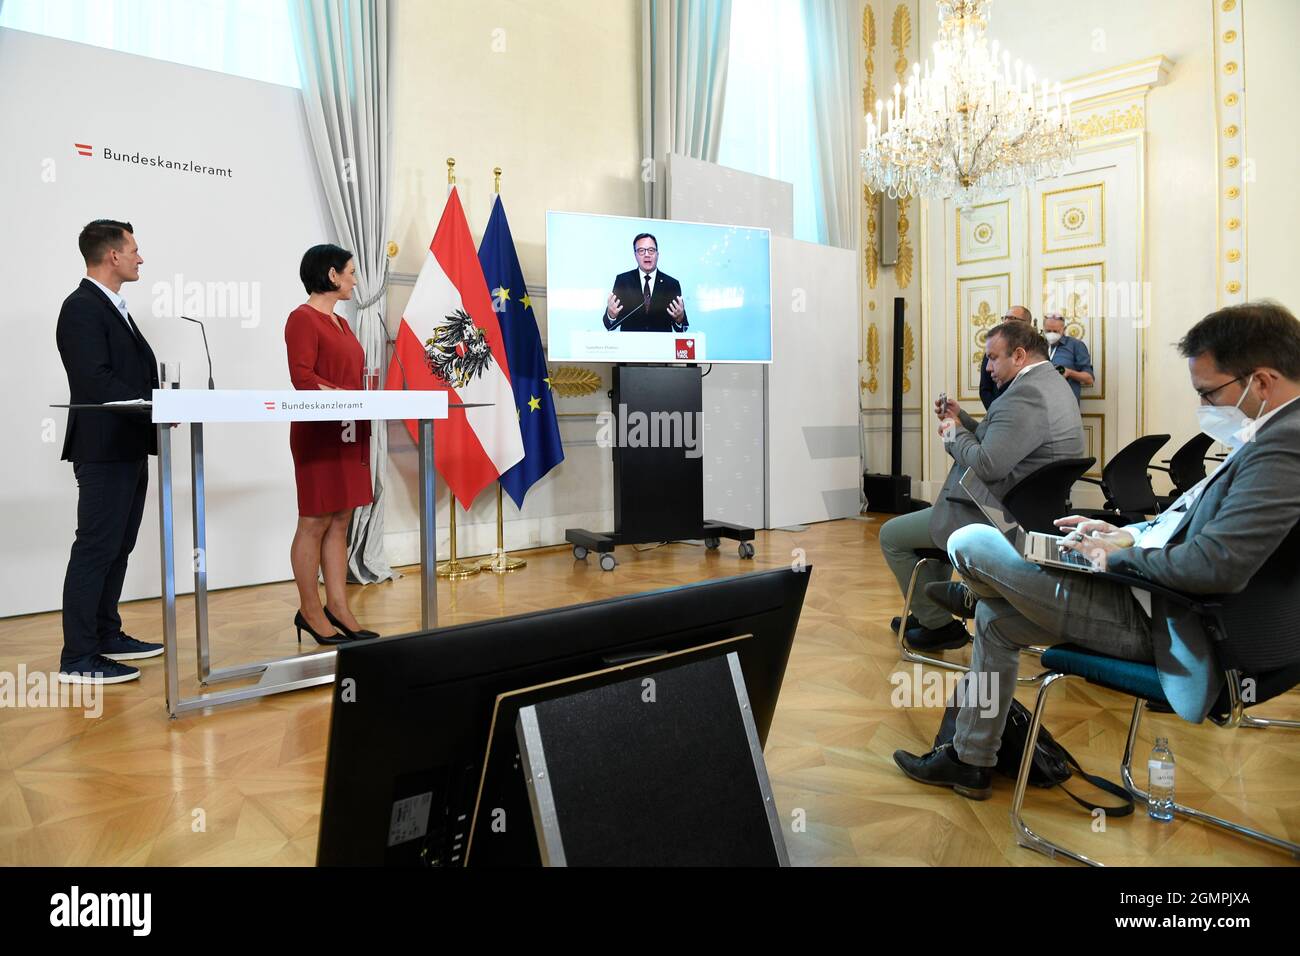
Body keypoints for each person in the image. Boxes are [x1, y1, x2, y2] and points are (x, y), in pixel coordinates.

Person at [892, 301, 1300, 800]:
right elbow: (1193, 525)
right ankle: (969, 759)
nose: (1205, 406)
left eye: (1209, 393)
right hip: (1158, 601)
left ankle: (978, 595)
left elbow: (1214, 565)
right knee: (998, 624)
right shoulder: (1275, 436)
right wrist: (1127, 533)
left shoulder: (1285, 448)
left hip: (1176, 626)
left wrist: (1110, 558)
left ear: (1260, 382)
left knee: (970, 541)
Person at [879, 320, 1085, 652]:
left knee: (891, 535)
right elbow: (1000, 442)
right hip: (1023, 510)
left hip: (993, 514)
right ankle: (930, 611)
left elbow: (989, 465)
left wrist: (950, 432)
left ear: (1018, 355)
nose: (988, 368)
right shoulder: (1052, 384)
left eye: (992, 358)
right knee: (932, 520)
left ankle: (937, 623)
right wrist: (963, 420)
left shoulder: (1025, 395)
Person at [55, 220, 165, 685]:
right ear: (112, 256)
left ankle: (106, 634)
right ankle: (78, 657)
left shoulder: (113, 307)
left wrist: (160, 405)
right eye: (135, 250)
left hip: (128, 444)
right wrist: (155, 405)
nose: (141, 258)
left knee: (118, 545)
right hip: (103, 449)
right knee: (96, 548)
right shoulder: (81, 307)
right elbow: (95, 380)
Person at [285, 244, 377, 645]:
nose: (355, 279)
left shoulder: (343, 324)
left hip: (350, 427)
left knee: (341, 518)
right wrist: (347, 396)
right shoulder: (301, 319)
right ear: (331, 274)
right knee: (315, 520)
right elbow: (302, 379)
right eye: (351, 272)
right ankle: (309, 610)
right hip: (319, 431)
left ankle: (338, 606)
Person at [602, 232, 688, 333]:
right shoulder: (623, 281)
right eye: (641, 251)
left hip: (661, 346)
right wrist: (611, 316)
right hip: (631, 346)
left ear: (657, 254)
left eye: (651, 250)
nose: (647, 255)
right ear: (635, 255)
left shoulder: (672, 284)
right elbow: (609, 325)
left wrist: (679, 319)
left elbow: (682, 328)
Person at [979, 305, 1032, 409]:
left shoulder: (1035, 349)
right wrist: (996, 410)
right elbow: (985, 388)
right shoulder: (993, 348)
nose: (1006, 321)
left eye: (1012, 318)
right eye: (1005, 318)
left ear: (1027, 324)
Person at [1042, 312, 1095, 402]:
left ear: (1064, 329)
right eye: (1048, 331)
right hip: (1041, 401)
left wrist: (1069, 372)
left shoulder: (1076, 345)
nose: (1051, 334)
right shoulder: (1038, 345)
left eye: (1055, 331)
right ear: (1043, 328)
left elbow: (1089, 379)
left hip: (1066, 403)